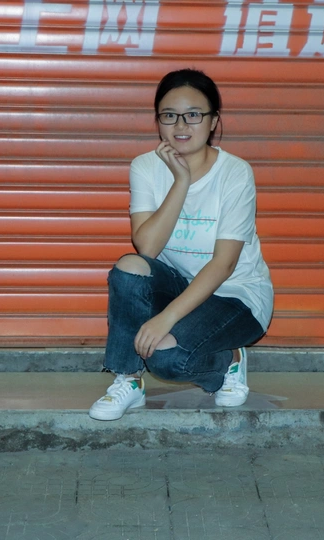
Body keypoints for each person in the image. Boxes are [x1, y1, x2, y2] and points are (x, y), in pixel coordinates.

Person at [89, 69, 273, 421]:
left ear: (213, 121)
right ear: (158, 121)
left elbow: (224, 264)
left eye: (193, 115)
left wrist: (166, 319)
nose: (181, 125)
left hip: (236, 296)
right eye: (169, 115)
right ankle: (128, 380)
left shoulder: (235, 173)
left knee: (167, 359)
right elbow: (147, 247)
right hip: (181, 287)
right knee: (129, 267)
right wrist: (181, 181)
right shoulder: (145, 167)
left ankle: (228, 360)